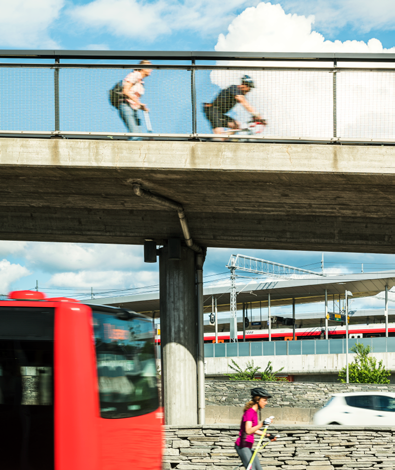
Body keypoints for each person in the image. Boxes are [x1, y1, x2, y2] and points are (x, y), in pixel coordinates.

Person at [235, 387, 277, 470]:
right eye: (264, 400)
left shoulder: (254, 412)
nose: (266, 402)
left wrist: (268, 435)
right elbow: (248, 431)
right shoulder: (249, 412)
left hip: (248, 446)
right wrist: (262, 424)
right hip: (243, 446)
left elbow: (254, 429)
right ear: (257, 400)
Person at [118, 60, 152, 140]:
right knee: (136, 135)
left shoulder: (140, 81)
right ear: (143, 68)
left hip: (132, 108)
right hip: (126, 106)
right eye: (150, 68)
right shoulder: (135, 75)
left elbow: (133, 97)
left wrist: (141, 107)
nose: (151, 70)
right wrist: (139, 103)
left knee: (138, 135)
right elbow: (125, 91)